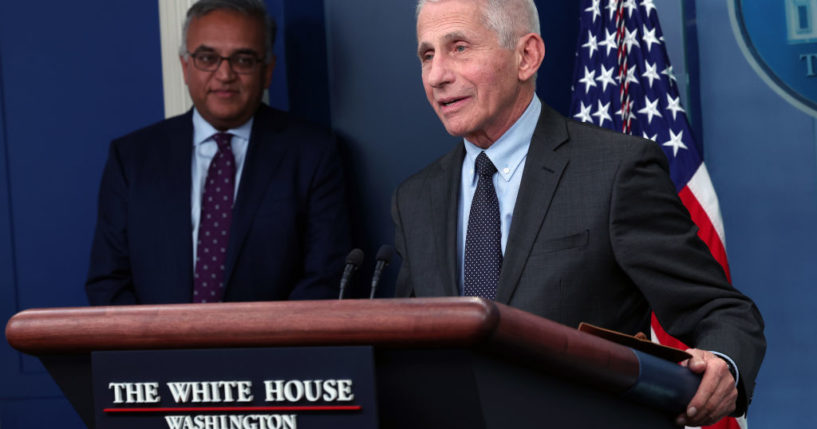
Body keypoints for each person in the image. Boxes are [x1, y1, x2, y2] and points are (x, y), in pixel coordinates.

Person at [391, 0, 765, 425]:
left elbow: (721, 310)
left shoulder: (615, 171)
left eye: (459, 48)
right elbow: (409, 346)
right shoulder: (415, 199)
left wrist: (723, 363)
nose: (437, 75)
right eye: (427, 55)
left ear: (526, 56)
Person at [86, 0, 350, 305]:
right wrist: (158, 336)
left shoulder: (313, 153)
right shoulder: (131, 158)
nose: (225, 74)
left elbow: (326, 277)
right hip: (154, 337)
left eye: (243, 59)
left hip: (277, 337)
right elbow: (108, 282)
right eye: (207, 58)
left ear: (267, 71)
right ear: (185, 67)